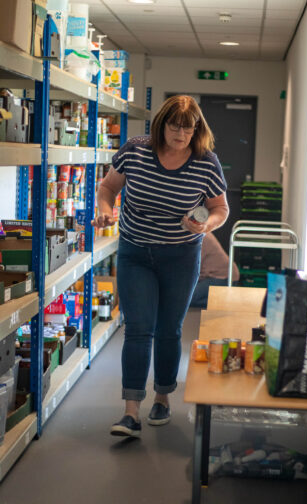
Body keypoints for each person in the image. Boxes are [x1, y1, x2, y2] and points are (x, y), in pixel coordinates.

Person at [92, 95, 229, 438]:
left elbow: (220, 209)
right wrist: (105, 209)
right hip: (135, 251)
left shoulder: (205, 163)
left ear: (197, 129)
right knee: (138, 328)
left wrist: (206, 224)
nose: (181, 134)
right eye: (174, 126)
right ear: (161, 125)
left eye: (188, 127)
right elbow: (108, 187)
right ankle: (130, 411)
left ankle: (163, 398)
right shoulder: (135, 150)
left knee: (169, 328)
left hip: (181, 256)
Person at [189, 231, 240, 309]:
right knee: (183, 295)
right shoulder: (200, 232)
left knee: (185, 298)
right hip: (215, 276)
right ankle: (222, 298)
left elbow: (194, 270)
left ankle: (227, 301)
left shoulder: (198, 237)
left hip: (223, 277)